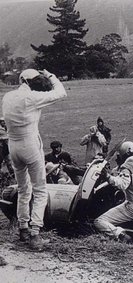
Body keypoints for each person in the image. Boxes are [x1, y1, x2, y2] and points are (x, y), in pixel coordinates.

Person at [1, 68, 67, 250]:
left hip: (13, 146)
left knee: (23, 189)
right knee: (40, 190)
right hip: (30, 145)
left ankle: (22, 228)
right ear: (30, 82)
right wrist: (51, 75)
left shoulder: (7, 97)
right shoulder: (31, 98)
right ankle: (35, 234)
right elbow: (61, 93)